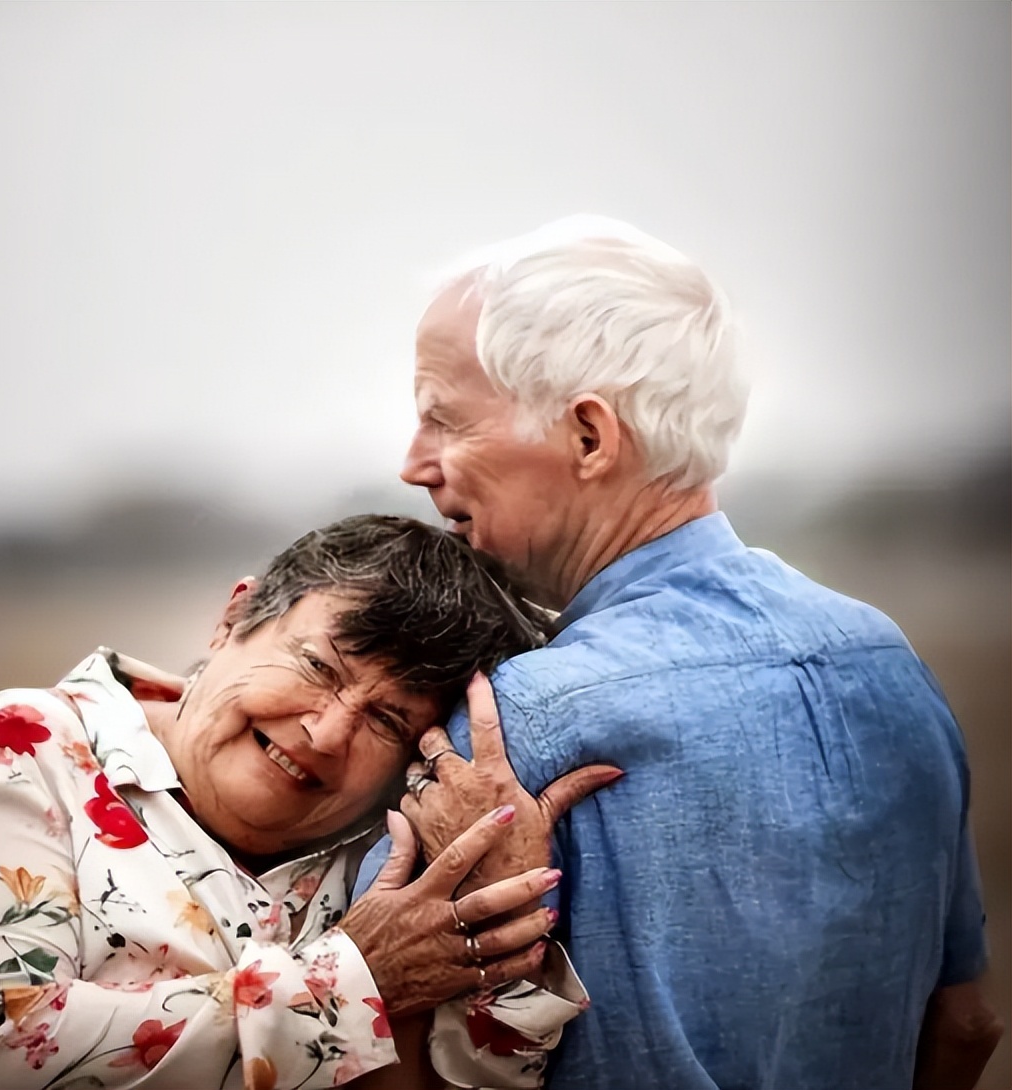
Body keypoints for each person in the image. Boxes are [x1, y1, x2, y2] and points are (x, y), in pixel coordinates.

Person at [362, 217, 1003, 1089]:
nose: (414, 463)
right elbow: (967, 1023)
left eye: (443, 419)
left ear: (590, 436)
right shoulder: (886, 663)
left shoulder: (516, 723)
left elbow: (370, 1049)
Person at [0, 515, 609, 1090]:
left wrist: (511, 899)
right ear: (236, 613)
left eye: (387, 720)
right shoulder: (25, 748)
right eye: (318, 665)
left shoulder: (383, 854)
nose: (327, 732)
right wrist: (353, 981)